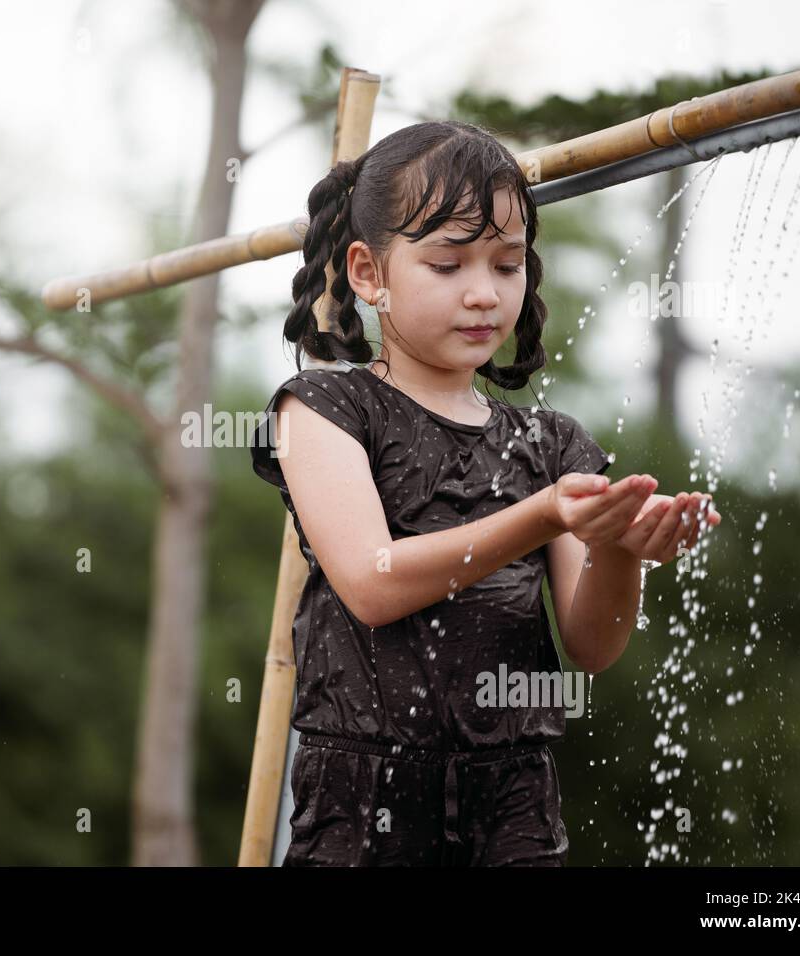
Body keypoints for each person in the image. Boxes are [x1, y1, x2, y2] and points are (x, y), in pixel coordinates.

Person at [250, 120, 722, 866]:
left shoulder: (552, 444)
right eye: (447, 265)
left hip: (515, 802)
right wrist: (536, 515)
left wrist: (617, 549)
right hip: (362, 799)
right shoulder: (323, 409)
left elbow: (593, 646)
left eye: (506, 266)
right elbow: (373, 584)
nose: (483, 294)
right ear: (369, 274)